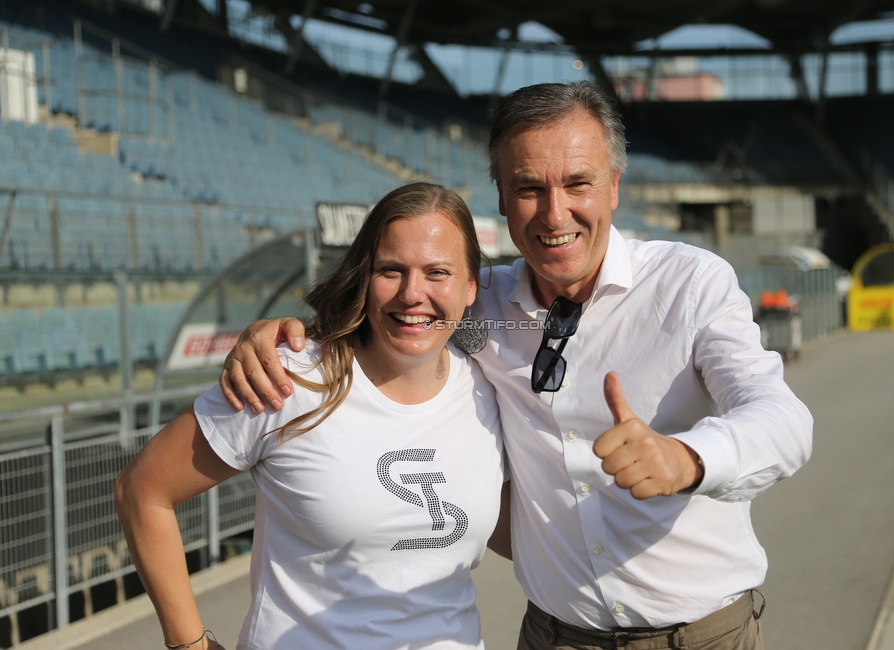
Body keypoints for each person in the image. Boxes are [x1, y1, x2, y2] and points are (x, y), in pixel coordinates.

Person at [220, 82, 814, 650]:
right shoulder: (483, 310)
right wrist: (291, 338)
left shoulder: (689, 286)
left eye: (577, 183)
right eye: (529, 188)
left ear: (614, 185)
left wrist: (687, 458)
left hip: (703, 635)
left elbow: (782, 419)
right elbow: (404, 317)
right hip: (557, 635)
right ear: (501, 198)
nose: (555, 215)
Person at [115, 182, 507, 650]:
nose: (412, 293)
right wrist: (188, 643)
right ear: (365, 277)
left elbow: (512, 533)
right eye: (391, 270)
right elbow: (143, 490)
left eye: (437, 272)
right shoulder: (288, 378)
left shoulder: (490, 387)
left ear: (469, 288)